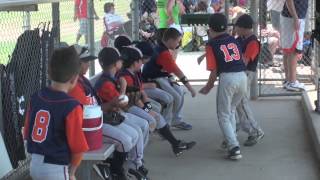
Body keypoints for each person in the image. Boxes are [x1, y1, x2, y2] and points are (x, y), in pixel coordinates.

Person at [68, 45, 148, 180]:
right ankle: (116, 171)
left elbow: (97, 106)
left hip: (98, 120)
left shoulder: (82, 79)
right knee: (126, 141)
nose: (88, 64)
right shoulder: (74, 85)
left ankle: (121, 168)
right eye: (85, 61)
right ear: (75, 63)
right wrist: (112, 104)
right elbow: (88, 114)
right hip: (88, 128)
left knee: (134, 134)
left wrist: (112, 105)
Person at [116, 46, 196, 157]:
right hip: (127, 107)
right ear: (134, 63)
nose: (142, 63)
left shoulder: (133, 73)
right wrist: (148, 110)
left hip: (133, 104)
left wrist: (147, 103)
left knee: (156, 115)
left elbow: (140, 92)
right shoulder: (125, 76)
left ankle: (175, 144)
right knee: (154, 117)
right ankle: (138, 156)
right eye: (140, 60)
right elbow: (135, 100)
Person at [23, 47, 89, 180]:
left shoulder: (36, 97)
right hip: (55, 168)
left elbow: (26, 133)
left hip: (34, 165)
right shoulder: (72, 105)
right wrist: (72, 173)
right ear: (74, 79)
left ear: (49, 73)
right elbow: (78, 148)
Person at [199, 13, 247, 160]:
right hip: (242, 77)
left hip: (228, 78)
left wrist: (207, 87)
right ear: (226, 28)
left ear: (210, 29)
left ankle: (234, 147)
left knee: (223, 115)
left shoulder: (211, 44)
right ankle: (230, 139)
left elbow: (214, 72)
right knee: (230, 110)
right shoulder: (233, 39)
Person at [142, 28, 196, 130]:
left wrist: (173, 80)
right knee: (175, 97)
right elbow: (178, 72)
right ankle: (165, 125)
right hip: (152, 80)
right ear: (170, 40)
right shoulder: (163, 53)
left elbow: (170, 72)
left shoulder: (162, 49)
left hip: (161, 77)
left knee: (180, 92)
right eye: (177, 41)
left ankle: (176, 120)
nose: (178, 44)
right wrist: (191, 88)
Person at [234, 14, 264, 146]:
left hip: (246, 73)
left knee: (241, 102)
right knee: (236, 103)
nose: (235, 29)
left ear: (244, 28)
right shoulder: (240, 38)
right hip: (238, 73)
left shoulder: (252, 42)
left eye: (237, 26)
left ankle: (256, 131)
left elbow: (244, 61)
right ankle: (240, 126)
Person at [280, 0, 309, 91]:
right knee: (293, 50)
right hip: (293, 18)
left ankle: (288, 80)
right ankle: (292, 82)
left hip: (292, 17)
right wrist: (295, 18)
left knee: (288, 50)